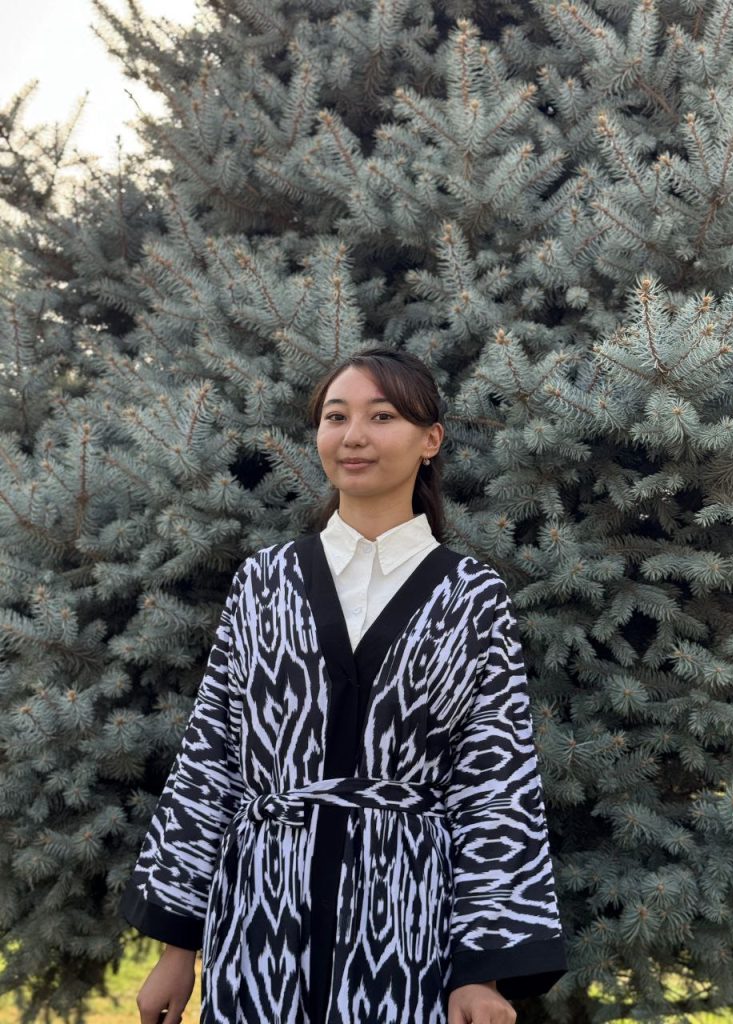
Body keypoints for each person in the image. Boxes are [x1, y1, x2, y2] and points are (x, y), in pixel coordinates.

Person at [121, 347, 568, 1024]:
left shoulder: (472, 596)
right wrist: (176, 949)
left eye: (381, 416)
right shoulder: (264, 582)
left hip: (404, 928)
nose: (353, 435)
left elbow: (496, 785)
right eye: (336, 417)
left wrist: (482, 976)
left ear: (430, 440)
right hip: (259, 925)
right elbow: (210, 760)